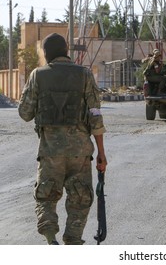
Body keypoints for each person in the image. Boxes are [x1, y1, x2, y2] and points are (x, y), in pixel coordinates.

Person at [18, 33, 107, 245]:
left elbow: (24, 113)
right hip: (80, 152)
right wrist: (101, 153)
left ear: (46, 53)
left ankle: (51, 239)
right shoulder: (85, 74)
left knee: (46, 196)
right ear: (67, 51)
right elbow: (95, 115)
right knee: (80, 198)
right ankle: (73, 242)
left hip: (50, 153)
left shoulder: (38, 75)